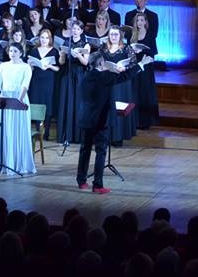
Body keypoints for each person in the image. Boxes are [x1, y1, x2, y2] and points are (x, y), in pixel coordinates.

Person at [76, 51, 153, 193]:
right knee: (100, 152)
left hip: (86, 119)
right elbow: (125, 76)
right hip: (100, 120)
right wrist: (141, 64)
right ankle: (97, 185)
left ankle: (81, 181)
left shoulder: (85, 77)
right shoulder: (104, 76)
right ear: (101, 63)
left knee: (85, 150)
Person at [0, 43, 35, 176]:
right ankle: (3, 162)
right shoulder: (3, 66)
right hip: (4, 100)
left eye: (15, 51)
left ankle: (18, 164)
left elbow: (25, 85)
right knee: (5, 130)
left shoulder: (26, 67)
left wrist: (18, 101)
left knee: (17, 131)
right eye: (10, 51)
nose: (12, 53)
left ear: (21, 52)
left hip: (18, 100)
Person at [57, 19, 90, 145]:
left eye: (77, 29)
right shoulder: (67, 42)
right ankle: (66, 135)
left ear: (81, 31)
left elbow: (85, 62)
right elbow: (61, 62)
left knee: (77, 104)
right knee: (66, 103)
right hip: (67, 74)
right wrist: (62, 54)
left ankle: (78, 136)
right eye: (73, 29)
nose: (75, 31)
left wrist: (78, 55)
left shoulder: (85, 44)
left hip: (79, 76)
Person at [102, 25, 137, 143]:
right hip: (106, 81)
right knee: (106, 108)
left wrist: (124, 67)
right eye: (111, 34)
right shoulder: (104, 47)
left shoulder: (126, 48)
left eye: (116, 34)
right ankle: (106, 135)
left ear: (120, 36)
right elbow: (96, 60)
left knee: (118, 107)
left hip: (121, 83)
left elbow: (133, 63)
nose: (113, 37)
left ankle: (118, 136)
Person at [27, 28, 59, 140]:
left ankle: (46, 132)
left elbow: (57, 68)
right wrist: (30, 64)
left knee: (47, 104)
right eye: (42, 37)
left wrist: (49, 66)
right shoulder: (34, 50)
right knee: (36, 102)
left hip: (49, 80)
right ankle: (37, 130)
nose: (44, 40)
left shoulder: (54, 51)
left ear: (49, 39)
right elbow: (30, 68)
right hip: (36, 79)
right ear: (39, 38)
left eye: (46, 37)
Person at [129, 12, 158, 130]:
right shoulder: (132, 35)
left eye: (141, 20)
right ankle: (134, 120)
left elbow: (154, 52)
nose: (139, 23)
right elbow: (128, 51)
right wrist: (133, 52)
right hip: (135, 66)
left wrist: (143, 52)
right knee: (134, 91)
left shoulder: (150, 35)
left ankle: (146, 121)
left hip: (146, 66)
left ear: (145, 22)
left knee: (145, 92)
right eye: (137, 20)